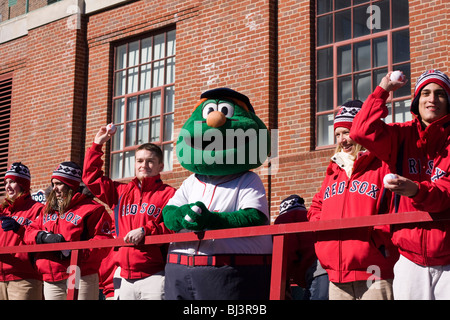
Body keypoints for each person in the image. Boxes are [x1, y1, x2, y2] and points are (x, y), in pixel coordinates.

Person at [162, 88, 272, 300]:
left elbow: (253, 217)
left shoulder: (248, 179)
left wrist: (211, 220)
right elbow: (169, 212)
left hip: (229, 269)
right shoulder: (191, 181)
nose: (214, 119)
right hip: (179, 267)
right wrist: (183, 215)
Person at [350, 69, 450, 300]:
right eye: (425, 93)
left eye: (440, 94)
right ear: (416, 101)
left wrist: (415, 190)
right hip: (410, 259)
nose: (432, 99)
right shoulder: (401, 135)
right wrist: (382, 89)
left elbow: (445, 195)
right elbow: (361, 131)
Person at [308, 100, 398, 300]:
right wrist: (323, 235)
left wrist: (378, 242)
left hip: (375, 271)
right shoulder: (333, 170)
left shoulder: (382, 165)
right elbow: (316, 207)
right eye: (338, 134)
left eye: (347, 132)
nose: (342, 140)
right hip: (337, 275)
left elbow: (395, 206)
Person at [83, 128, 176, 300]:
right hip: (124, 276)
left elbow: (173, 227)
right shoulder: (120, 191)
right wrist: (97, 144)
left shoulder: (169, 194)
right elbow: (91, 178)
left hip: (155, 275)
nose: (144, 165)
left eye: (150, 161)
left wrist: (145, 230)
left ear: (160, 166)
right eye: (140, 160)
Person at [24, 161, 113, 300]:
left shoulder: (92, 209)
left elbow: (104, 241)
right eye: (53, 184)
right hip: (51, 276)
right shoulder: (47, 209)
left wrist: (74, 253)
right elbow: (29, 232)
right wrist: (42, 236)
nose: (54, 189)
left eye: (59, 184)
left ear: (71, 185)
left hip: (80, 274)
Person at [0, 162, 43, 300]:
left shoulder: (37, 209)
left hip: (24, 279)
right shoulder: (3, 211)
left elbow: (39, 239)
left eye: (12, 182)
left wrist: (19, 228)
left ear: (23, 184)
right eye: (5, 182)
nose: (7, 186)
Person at [275, 195, 328, 300]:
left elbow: (287, 254)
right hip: (329, 268)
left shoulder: (284, 219)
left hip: (316, 271)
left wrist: (283, 282)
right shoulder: (310, 215)